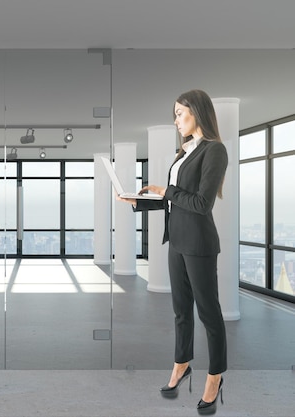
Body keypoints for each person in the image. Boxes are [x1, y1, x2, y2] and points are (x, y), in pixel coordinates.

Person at [117, 89, 228, 415]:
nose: (176, 119)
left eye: (181, 113)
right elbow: (174, 202)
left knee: (209, 314)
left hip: (199, 245)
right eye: (175, 114)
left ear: (197, 112)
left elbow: (200, 203)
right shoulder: (182, 154)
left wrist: (166, 190)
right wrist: (139, 202)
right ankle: (182, 365)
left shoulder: (215, 151)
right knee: (181, 312)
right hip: (176, 242)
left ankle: (215, 376)